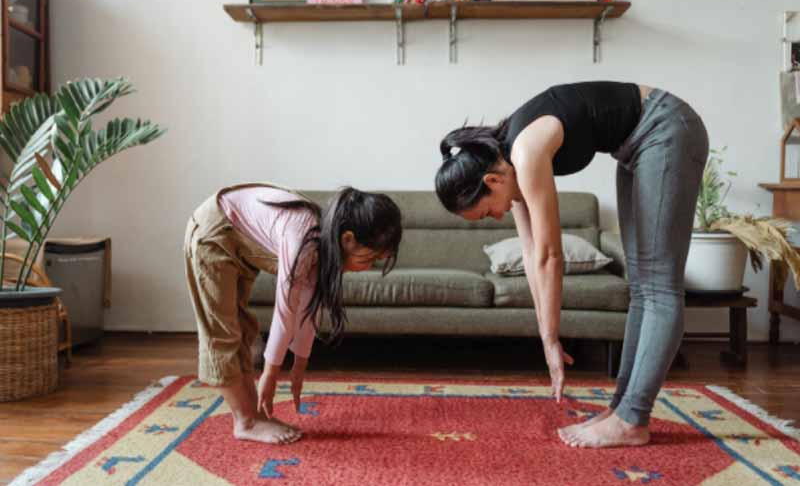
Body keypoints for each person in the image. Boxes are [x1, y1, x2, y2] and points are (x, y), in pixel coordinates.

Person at [434, 81, 709, 448]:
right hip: (636, 145)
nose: (495, 215)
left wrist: (551, 340)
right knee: (642, 287)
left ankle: (632, 419)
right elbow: (531, 252)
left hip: (666, 128)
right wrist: (545, 334)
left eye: (486, 211)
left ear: (492, 180)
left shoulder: (526, 152)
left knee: (658, 284)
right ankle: (623, 410)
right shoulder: (507, 162)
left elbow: (551, 255)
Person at [184, 183, 402, 444]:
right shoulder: (304, 239)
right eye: (370, 258)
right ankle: (246, 421)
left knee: (243, 330)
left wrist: (299, 367)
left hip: (238, 240)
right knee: (222, 333)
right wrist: (270, 373)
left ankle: (254, 416)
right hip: (214, 231)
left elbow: (307, 309)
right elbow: (285, 308)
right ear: (348, 239)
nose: (369, 267)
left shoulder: (324, 247)